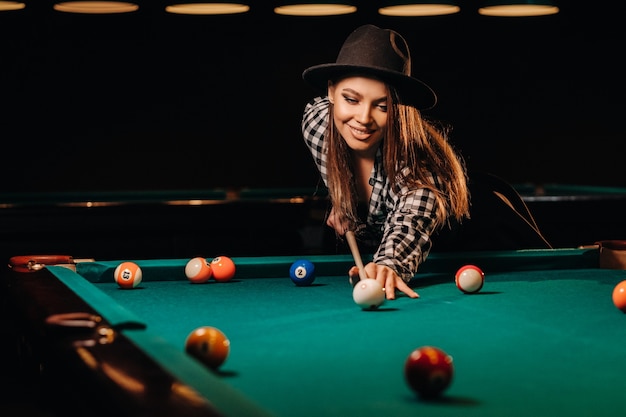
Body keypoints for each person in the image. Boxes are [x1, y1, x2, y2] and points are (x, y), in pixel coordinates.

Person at [301, 24, 471, 300]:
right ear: (331, 92)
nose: (364, 118)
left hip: (466, 250)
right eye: (351, 99)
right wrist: (341, 194)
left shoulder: (419, 172)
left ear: (399, 109)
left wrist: (387, 266)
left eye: (382, 106)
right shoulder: (318, 124)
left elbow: (409, 226)